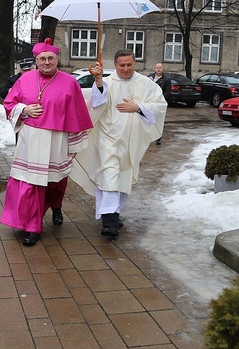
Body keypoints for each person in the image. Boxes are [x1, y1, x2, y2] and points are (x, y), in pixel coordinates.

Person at [0, 38, 93, 246]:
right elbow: (9, 102)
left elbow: (78, 113)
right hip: (30, 139)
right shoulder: (24, 79)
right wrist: (23, 109)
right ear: (37, 60)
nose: (47, 62)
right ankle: (33, 227)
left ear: (57, 59)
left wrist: (74, 144)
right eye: (42, 58)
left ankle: (56, 206)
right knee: (31, 182)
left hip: (56, 139)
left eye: (51, 58)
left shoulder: (69, 82)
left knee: (55, 181)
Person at [71, 49, 167, 238]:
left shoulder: (146, 84)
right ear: (115, 65)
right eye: (121, 65)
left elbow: (160, 106)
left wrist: (138, 107)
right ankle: (110, 222)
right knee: (109, 177)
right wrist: (98, 81)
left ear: (134, 64)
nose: (125, 69)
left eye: (129, 65)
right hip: (107, 139)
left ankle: (114, 213)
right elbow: (97, 103)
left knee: (122, 179)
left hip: (131, 142)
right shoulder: (106, 82)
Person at [147, 62, 171, 145]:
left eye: (160, 67)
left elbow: (168, 92)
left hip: (159, 103)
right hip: (149, 102)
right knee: (148, 119)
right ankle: (147, 137)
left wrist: (160, 100)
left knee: (159, 120)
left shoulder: (166, 80)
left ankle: (158, 138)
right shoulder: (149, 77)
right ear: (154, 68)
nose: (158, 69)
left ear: (162, 69)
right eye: (157, 67)